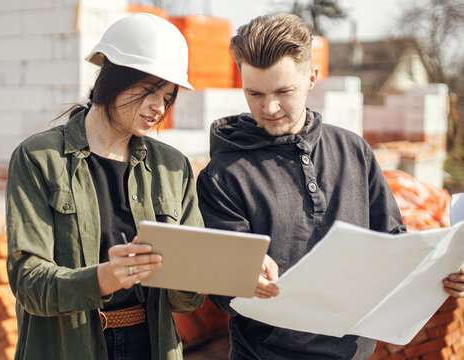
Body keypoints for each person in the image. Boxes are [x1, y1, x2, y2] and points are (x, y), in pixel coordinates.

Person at [196, 13, 464, 360]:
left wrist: (442, 277)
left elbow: (394, 244)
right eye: (255, 93)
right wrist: (241, 277)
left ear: (312, 78)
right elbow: (220, 288)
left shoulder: (354, 150)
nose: (270, 107)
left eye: (283, 91)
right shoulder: (223, 175)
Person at [6, 13, 205, 360]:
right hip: (66, 347)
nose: (159, 107)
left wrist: (205, 275)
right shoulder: (38, 158)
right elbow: (28, 283)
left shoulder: (173, 168)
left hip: (151, 345)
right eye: (148, 91)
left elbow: (186, 299)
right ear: (112, 79)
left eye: (168, 97)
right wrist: (105, 278)